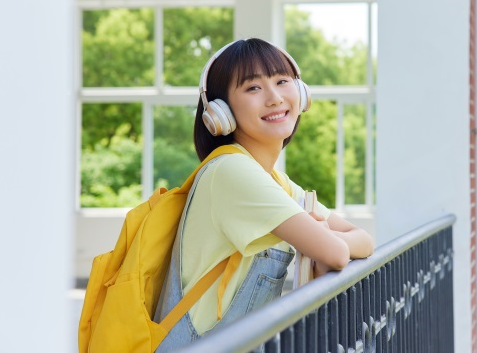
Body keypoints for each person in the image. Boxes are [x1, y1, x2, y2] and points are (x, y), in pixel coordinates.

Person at [154, 37, 374, 352]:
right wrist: (327, 238)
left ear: (301, 93)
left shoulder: (276, 183)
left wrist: (323, 232)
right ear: (219, 111)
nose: (273, 98)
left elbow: (363, 240)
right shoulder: (232, 171)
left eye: (282, 81)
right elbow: (336, 253)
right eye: (253, 88)